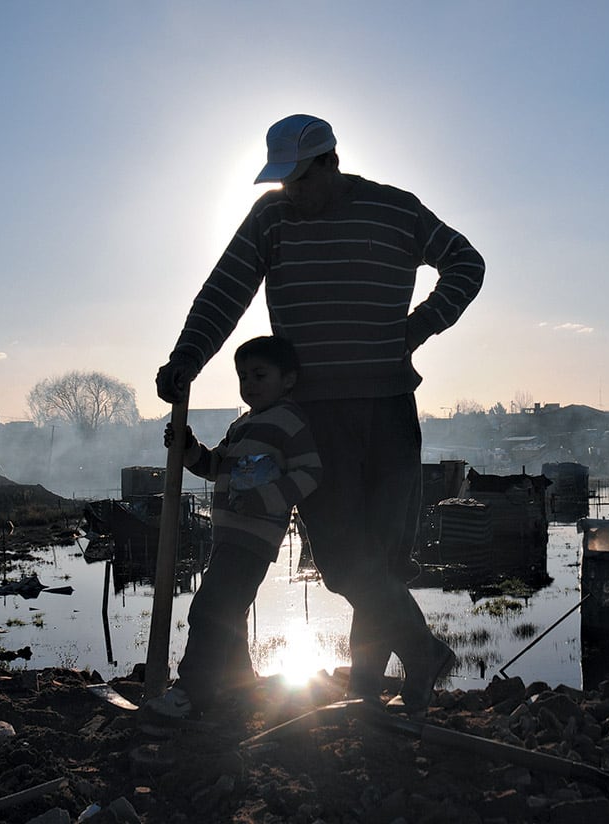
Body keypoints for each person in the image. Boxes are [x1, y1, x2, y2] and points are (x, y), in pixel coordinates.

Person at [156, 113, 484, 712]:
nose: (292, 193)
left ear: (331, 164)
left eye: (300, 180)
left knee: (383, 561)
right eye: (283, 182)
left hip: (387, 409)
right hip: (312, 422)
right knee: (340, 562)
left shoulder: (397, 209)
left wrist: (415, 329)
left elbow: (467, 264)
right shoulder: (271, 219)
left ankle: (367, 695)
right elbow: (224, 291)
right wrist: (187, 358)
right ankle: (423, 652)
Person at [146, 335, 322, 719]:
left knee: (210, 610)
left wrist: (265, 498)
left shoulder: (289, 421)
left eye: (260, 375)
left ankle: (193, 691)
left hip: (254, 538)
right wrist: (188, 447)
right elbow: (214, 467)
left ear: (288, 380)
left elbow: (310, 473)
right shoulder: (242, 425)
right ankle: (243, 688)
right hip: (226, 536)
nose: (250, 385)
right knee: (230, 614)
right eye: (243, 377)